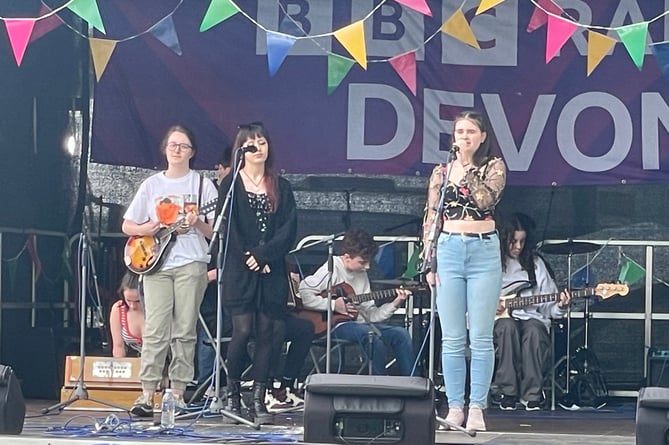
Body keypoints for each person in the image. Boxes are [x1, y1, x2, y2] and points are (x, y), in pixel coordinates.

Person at [122, 124, 217, 417]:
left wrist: (196, 222)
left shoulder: (203, 186)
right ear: (165, 149)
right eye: (173, 145)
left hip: (191, 262)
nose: (177, 150)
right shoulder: (152, 185)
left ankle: (177, 392)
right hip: (155, 263)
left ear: (192, 152)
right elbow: (127, 225)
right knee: (155, 329)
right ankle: (147, 393)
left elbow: (214, 231)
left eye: (183, 146)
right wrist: (146, 227)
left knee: (185, 329)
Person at [421, 110, 507, 432]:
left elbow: (486, 201)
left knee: (481, 336)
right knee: (453, 337)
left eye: (471, 132)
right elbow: (431, 216)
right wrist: (428, 261)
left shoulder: (492, 166)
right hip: (449, 249)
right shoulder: (441, 172)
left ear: (482, 136)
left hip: (483, 248)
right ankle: (455, 405)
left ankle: (477, 407)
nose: (465, 137)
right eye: (460, 132)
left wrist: (468, 169)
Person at [214, 121, 297, 424]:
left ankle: (259, 399)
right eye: (252, 143)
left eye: (262, 142)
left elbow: (289, 229)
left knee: (268, 333)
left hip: (271, 268)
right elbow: (229, 228)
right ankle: (233, 394)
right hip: (241, 270)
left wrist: (264, 256)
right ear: (242, 149)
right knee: (242, 331)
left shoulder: (280, 185)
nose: (258, 147)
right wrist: (249, 257)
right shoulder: (231, 184)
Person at [298, 228, 415, 377]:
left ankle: (413, 383)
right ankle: (379, 384)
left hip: (358, 324)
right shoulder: (332, 267)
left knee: (401, 334)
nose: (367, 267)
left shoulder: (362, 273)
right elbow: (304, 293)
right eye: (362, 262)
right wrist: (334, 305)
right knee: (371, 335)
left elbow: (370, 315)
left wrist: (395, 303)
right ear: (347, 257)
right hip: (331, 325)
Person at [493, 213, 570, 411]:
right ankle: (506, 392)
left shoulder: (535, 265)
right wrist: (489, 305)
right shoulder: (491, 263)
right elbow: (473, 294)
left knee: (535, 331)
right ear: (503, 239)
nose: (518, 246)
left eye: (522, 241)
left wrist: (560, 305)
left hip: (532, 318)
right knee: (507, 327)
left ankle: (533, 394)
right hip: (498, 319)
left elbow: (550, 307)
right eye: (513, 241)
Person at [109, 271, 143, 358]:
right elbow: (118, 347)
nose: (132, 306)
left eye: (138, 301)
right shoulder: (119, 309)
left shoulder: (157, 309)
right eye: (128, 300)